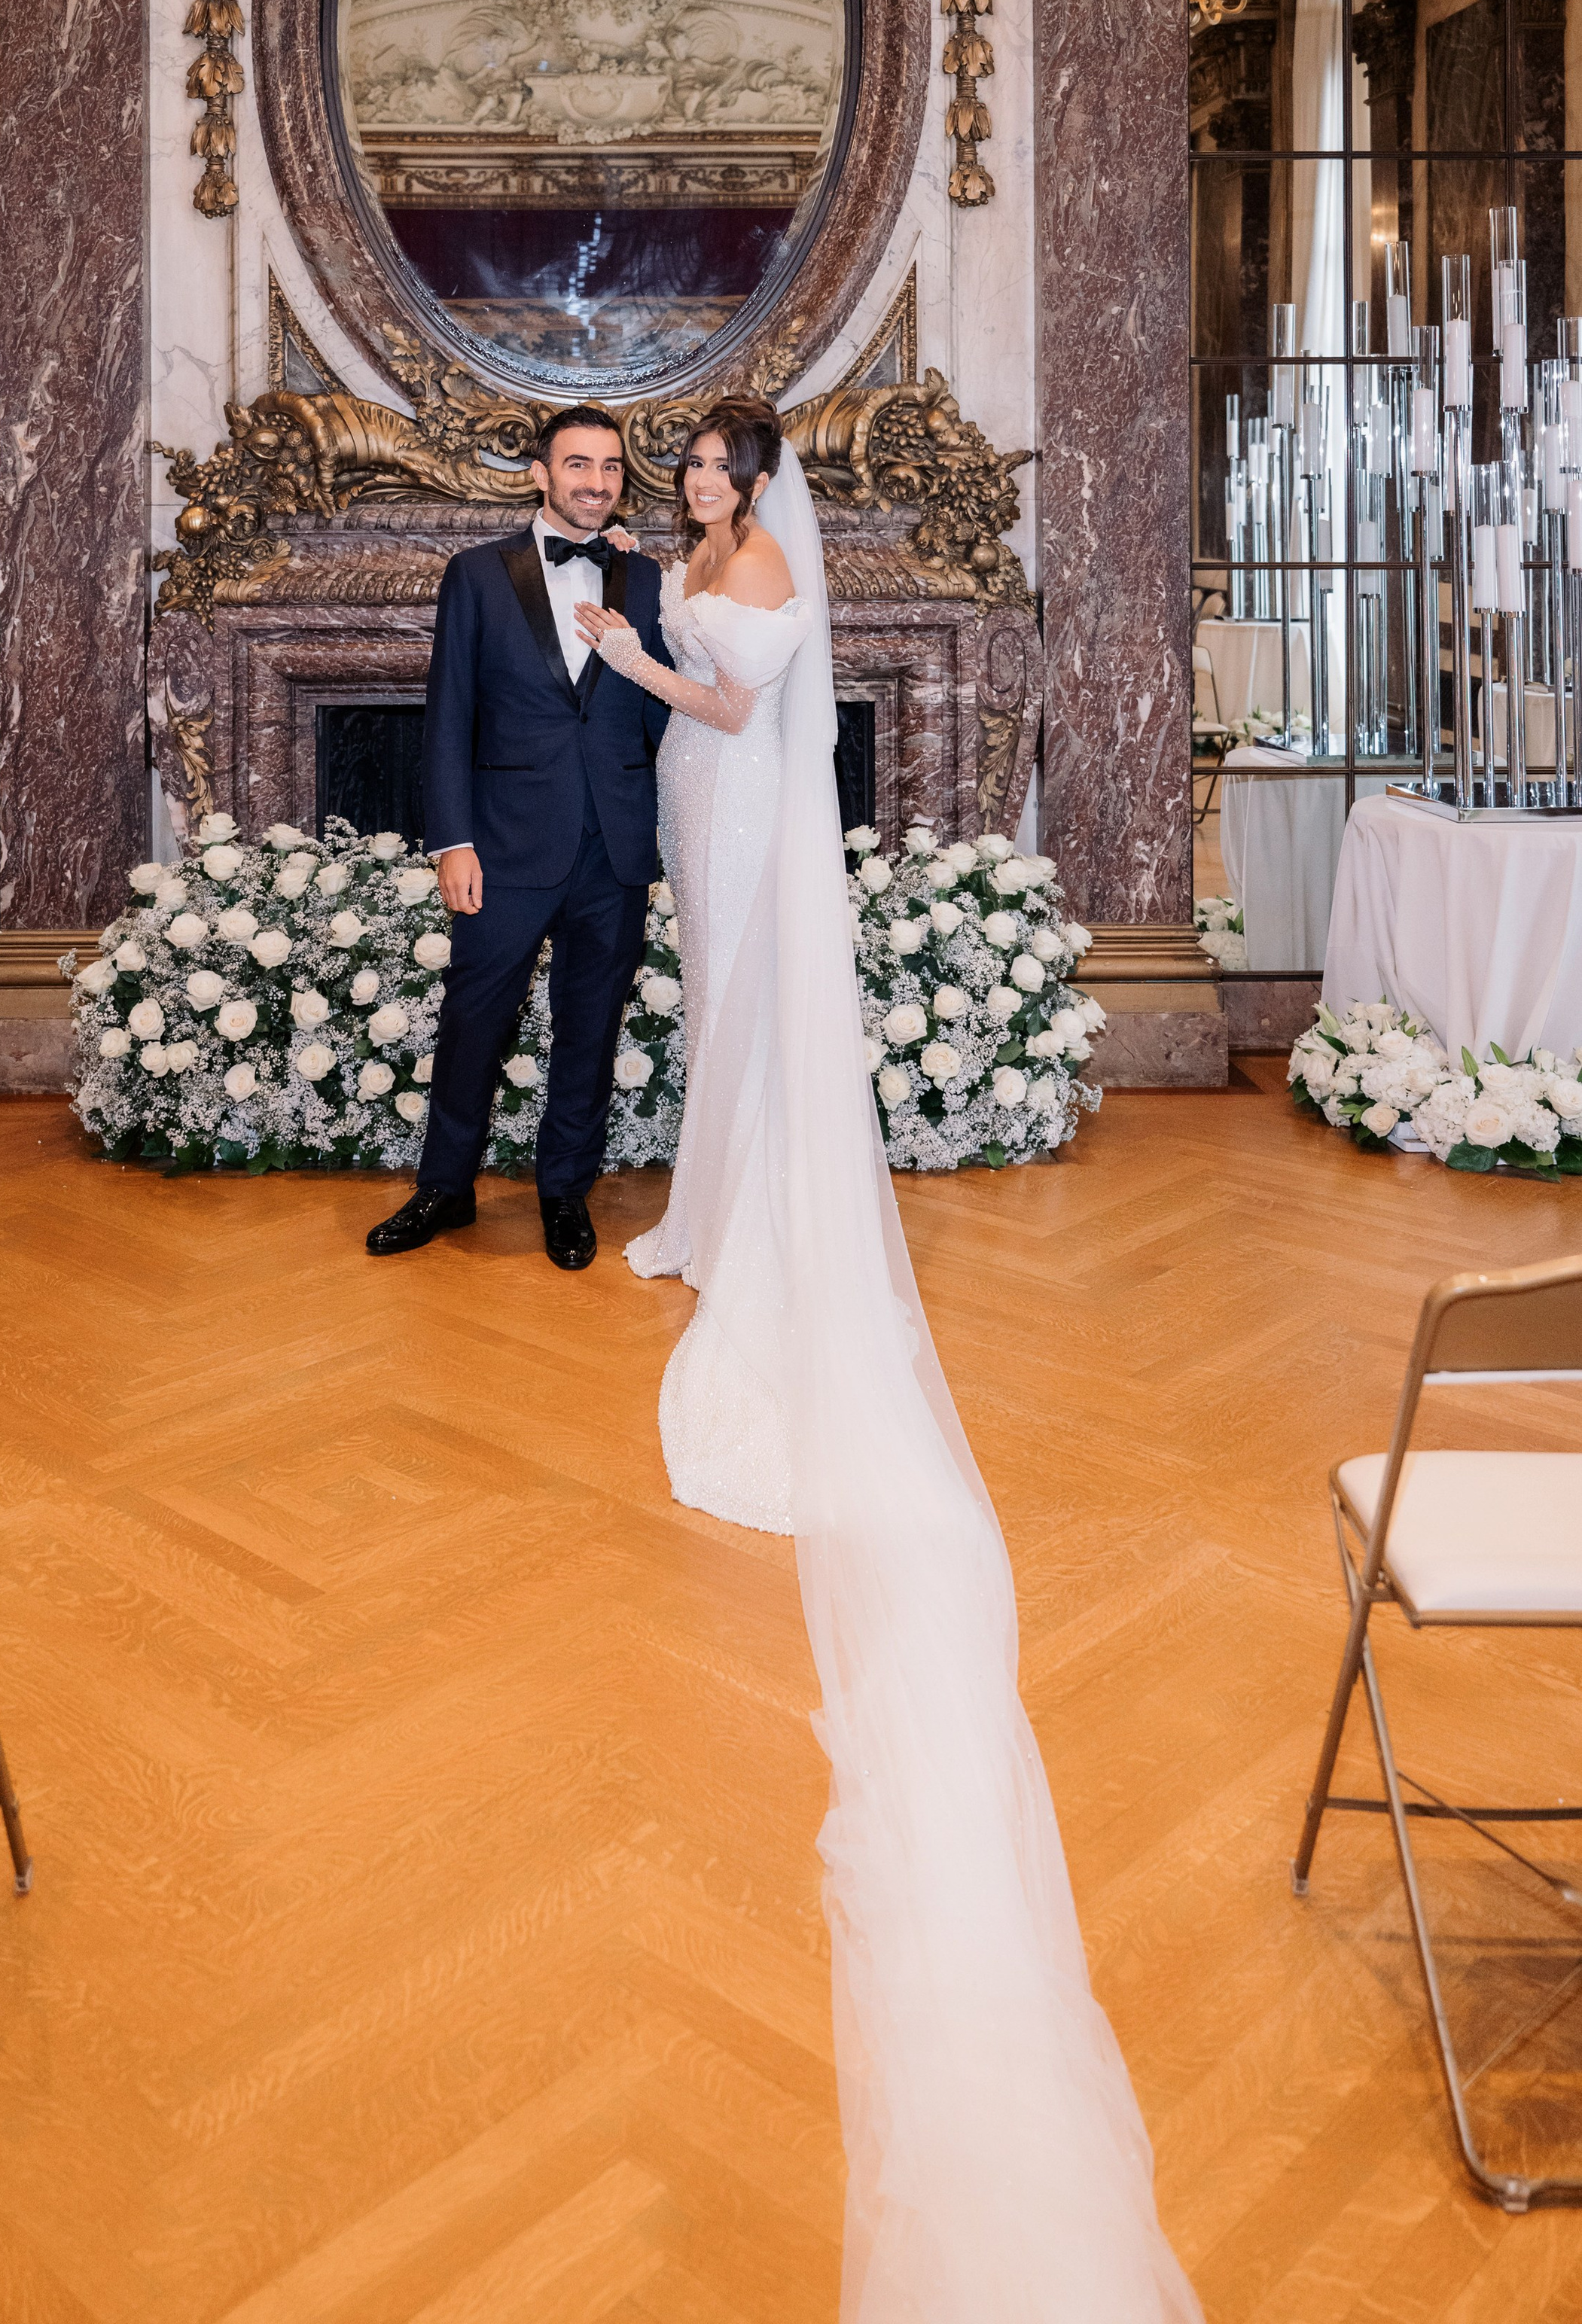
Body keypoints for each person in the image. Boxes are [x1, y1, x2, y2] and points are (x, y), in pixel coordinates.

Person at [578, 401, 1205, 2322]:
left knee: (757, 1018)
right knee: (710, 1024)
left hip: (740, 808)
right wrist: (643, 634)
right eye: (679, 471)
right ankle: (703, 1207)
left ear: (755, 486)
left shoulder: (755, 575)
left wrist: (628, 658)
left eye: (707, 471)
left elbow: (742, 715)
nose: (692, 491)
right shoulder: (700, 553)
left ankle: (757, 1228)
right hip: (698, 827)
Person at [364, 404, 675, 1272]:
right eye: (577, 465)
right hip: (502, 845)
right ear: (540, 474)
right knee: (474, 1017)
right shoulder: (476, 574)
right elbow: (449, 716)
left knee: (590, 1024)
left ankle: (564, 1190)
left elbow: (662, 713)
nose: (595, 482)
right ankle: (444, 1187)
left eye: (610, 468)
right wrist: (451, 842)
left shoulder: (647, 582)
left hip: (613, 844)